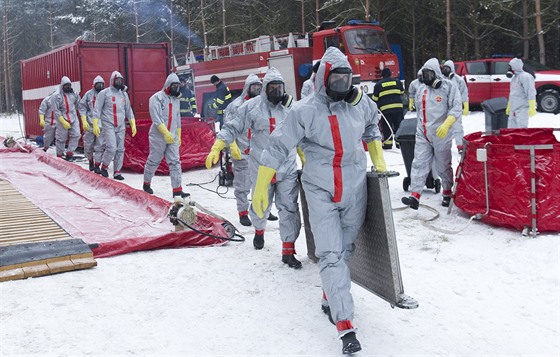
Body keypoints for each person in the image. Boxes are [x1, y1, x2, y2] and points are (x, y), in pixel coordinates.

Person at [250, 47, 388, 354]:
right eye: (336, 79)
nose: (342, 84)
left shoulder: (360, 104)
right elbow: (276, 147)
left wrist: (377, 159)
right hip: (320, 190)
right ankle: (345, 325)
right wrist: (261, 185)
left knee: (347, 248)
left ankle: (330, 295)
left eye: (347, 78)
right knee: (331, 254)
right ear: (324, 78)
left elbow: (371, 128)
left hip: (354, 189)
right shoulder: (304, 110)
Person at [205, 67, 302, 269]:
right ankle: (259, 231)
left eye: (279, 87)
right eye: (272, 87)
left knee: (289, 208)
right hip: (261, 165)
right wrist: (218, 146)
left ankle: (288, 248)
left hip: (287, 166)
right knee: (260, 204)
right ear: (265, 88)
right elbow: (233, 126)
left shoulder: (290, 107)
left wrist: (304, 154)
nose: (276, 91)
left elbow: (303, 131)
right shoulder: (252, 107)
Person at [402, 58, 462, 210]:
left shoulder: (449, 87)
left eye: (429, 74)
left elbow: (456, 108)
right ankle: (415, 195)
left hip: (441, 133)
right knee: (419, 163)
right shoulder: (422, 89)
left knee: (443, 165)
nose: (426, 78)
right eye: (424, 75)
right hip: (423, 133)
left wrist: (447, 123)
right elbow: (420, 111)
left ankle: (447, 192)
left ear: (436, 73)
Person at [222, 74, 262, 226]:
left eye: (259, 87)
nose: (257, 90)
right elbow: (229, 127)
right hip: (242, 151)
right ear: (247, 88)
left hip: (258, 152)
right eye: (254, 87)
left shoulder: (262, 104)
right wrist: (232, 146)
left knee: (262, 184)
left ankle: (261, 210)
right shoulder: (235, 106)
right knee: (243, 186)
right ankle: (243, 212)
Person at [142, 73, 189, 199]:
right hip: (158, 136)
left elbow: (177, 117)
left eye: (178, 86)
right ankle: (146, 183)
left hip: (172, 136)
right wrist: (165, 132)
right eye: (174, 85)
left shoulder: (176, 100)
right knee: (154, 160)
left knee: (175, 162)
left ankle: (177, 190)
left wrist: (178, 133)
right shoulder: (156, 98)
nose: (176, 88)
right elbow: (156, 118)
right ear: (168, 85)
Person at [92, 71, 137, 180]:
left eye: (121, 81)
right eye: (117, 80)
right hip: (108, 123)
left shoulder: (124, 94)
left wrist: (132, 122)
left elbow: (128, 109)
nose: (119, 82)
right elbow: (97, 109)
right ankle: (105, 166)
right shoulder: (104, 93)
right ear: (112, 81)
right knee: (112, 147)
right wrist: (95, 123)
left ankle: (117, 171)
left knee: (120, 149)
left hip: (121, 125)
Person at [372, 68, 405, 149]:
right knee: (399, 125)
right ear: (390, 74)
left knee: (387, 127)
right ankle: (399, 143)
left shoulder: (378, 85)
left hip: (386, 110)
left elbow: (374, 99)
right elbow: (402, 92)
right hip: (398, 109)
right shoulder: (397, 82)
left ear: (382, 75)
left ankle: (387, 143)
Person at [441, 60, 469, 154]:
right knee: (444, 128)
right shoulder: (441, 80)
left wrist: (465, 105)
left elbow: (464, 93)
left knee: (457, 128)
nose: (445, 70)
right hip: (443, 108)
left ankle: (460, 146)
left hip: (455, 108)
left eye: (447, 68)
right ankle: (443, 146)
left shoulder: (458, 80)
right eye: (444, 68)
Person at [79, 75, 105, 171]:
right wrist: (84, 120)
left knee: (100, 146)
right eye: (98, 84)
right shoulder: (88, 95)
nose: (100, 86)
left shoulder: (106, 94)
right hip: (90, 125)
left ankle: (97, 165)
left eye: (102, 84)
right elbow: (82, 107)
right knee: (88, 145)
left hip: (101, 125)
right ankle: (90, 161)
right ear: (94, 85)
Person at [51, 76, 81, 160]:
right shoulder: (56, 96)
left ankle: (70, 152)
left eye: (69, 85)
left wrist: (83, 116)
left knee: (76, 134)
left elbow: (79, 104)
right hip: (62, 118)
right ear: (62, 86)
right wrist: (62, 120)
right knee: (61, 138)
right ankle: (59, 155)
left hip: (73, 117)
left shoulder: (74, 94)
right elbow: (55, 109)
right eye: (66, 85)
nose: (68, 87)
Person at [506, 58, 537, 128]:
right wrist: (509, 106)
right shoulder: (514, 78)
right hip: (513, 109)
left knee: (522, 130)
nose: (509, 69)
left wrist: (532, 106)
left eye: (511, 67)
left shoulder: (526, 77)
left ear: (515, 67)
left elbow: (531, 92)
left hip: (522, 109)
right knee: (511, 131)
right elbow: (513, 94)